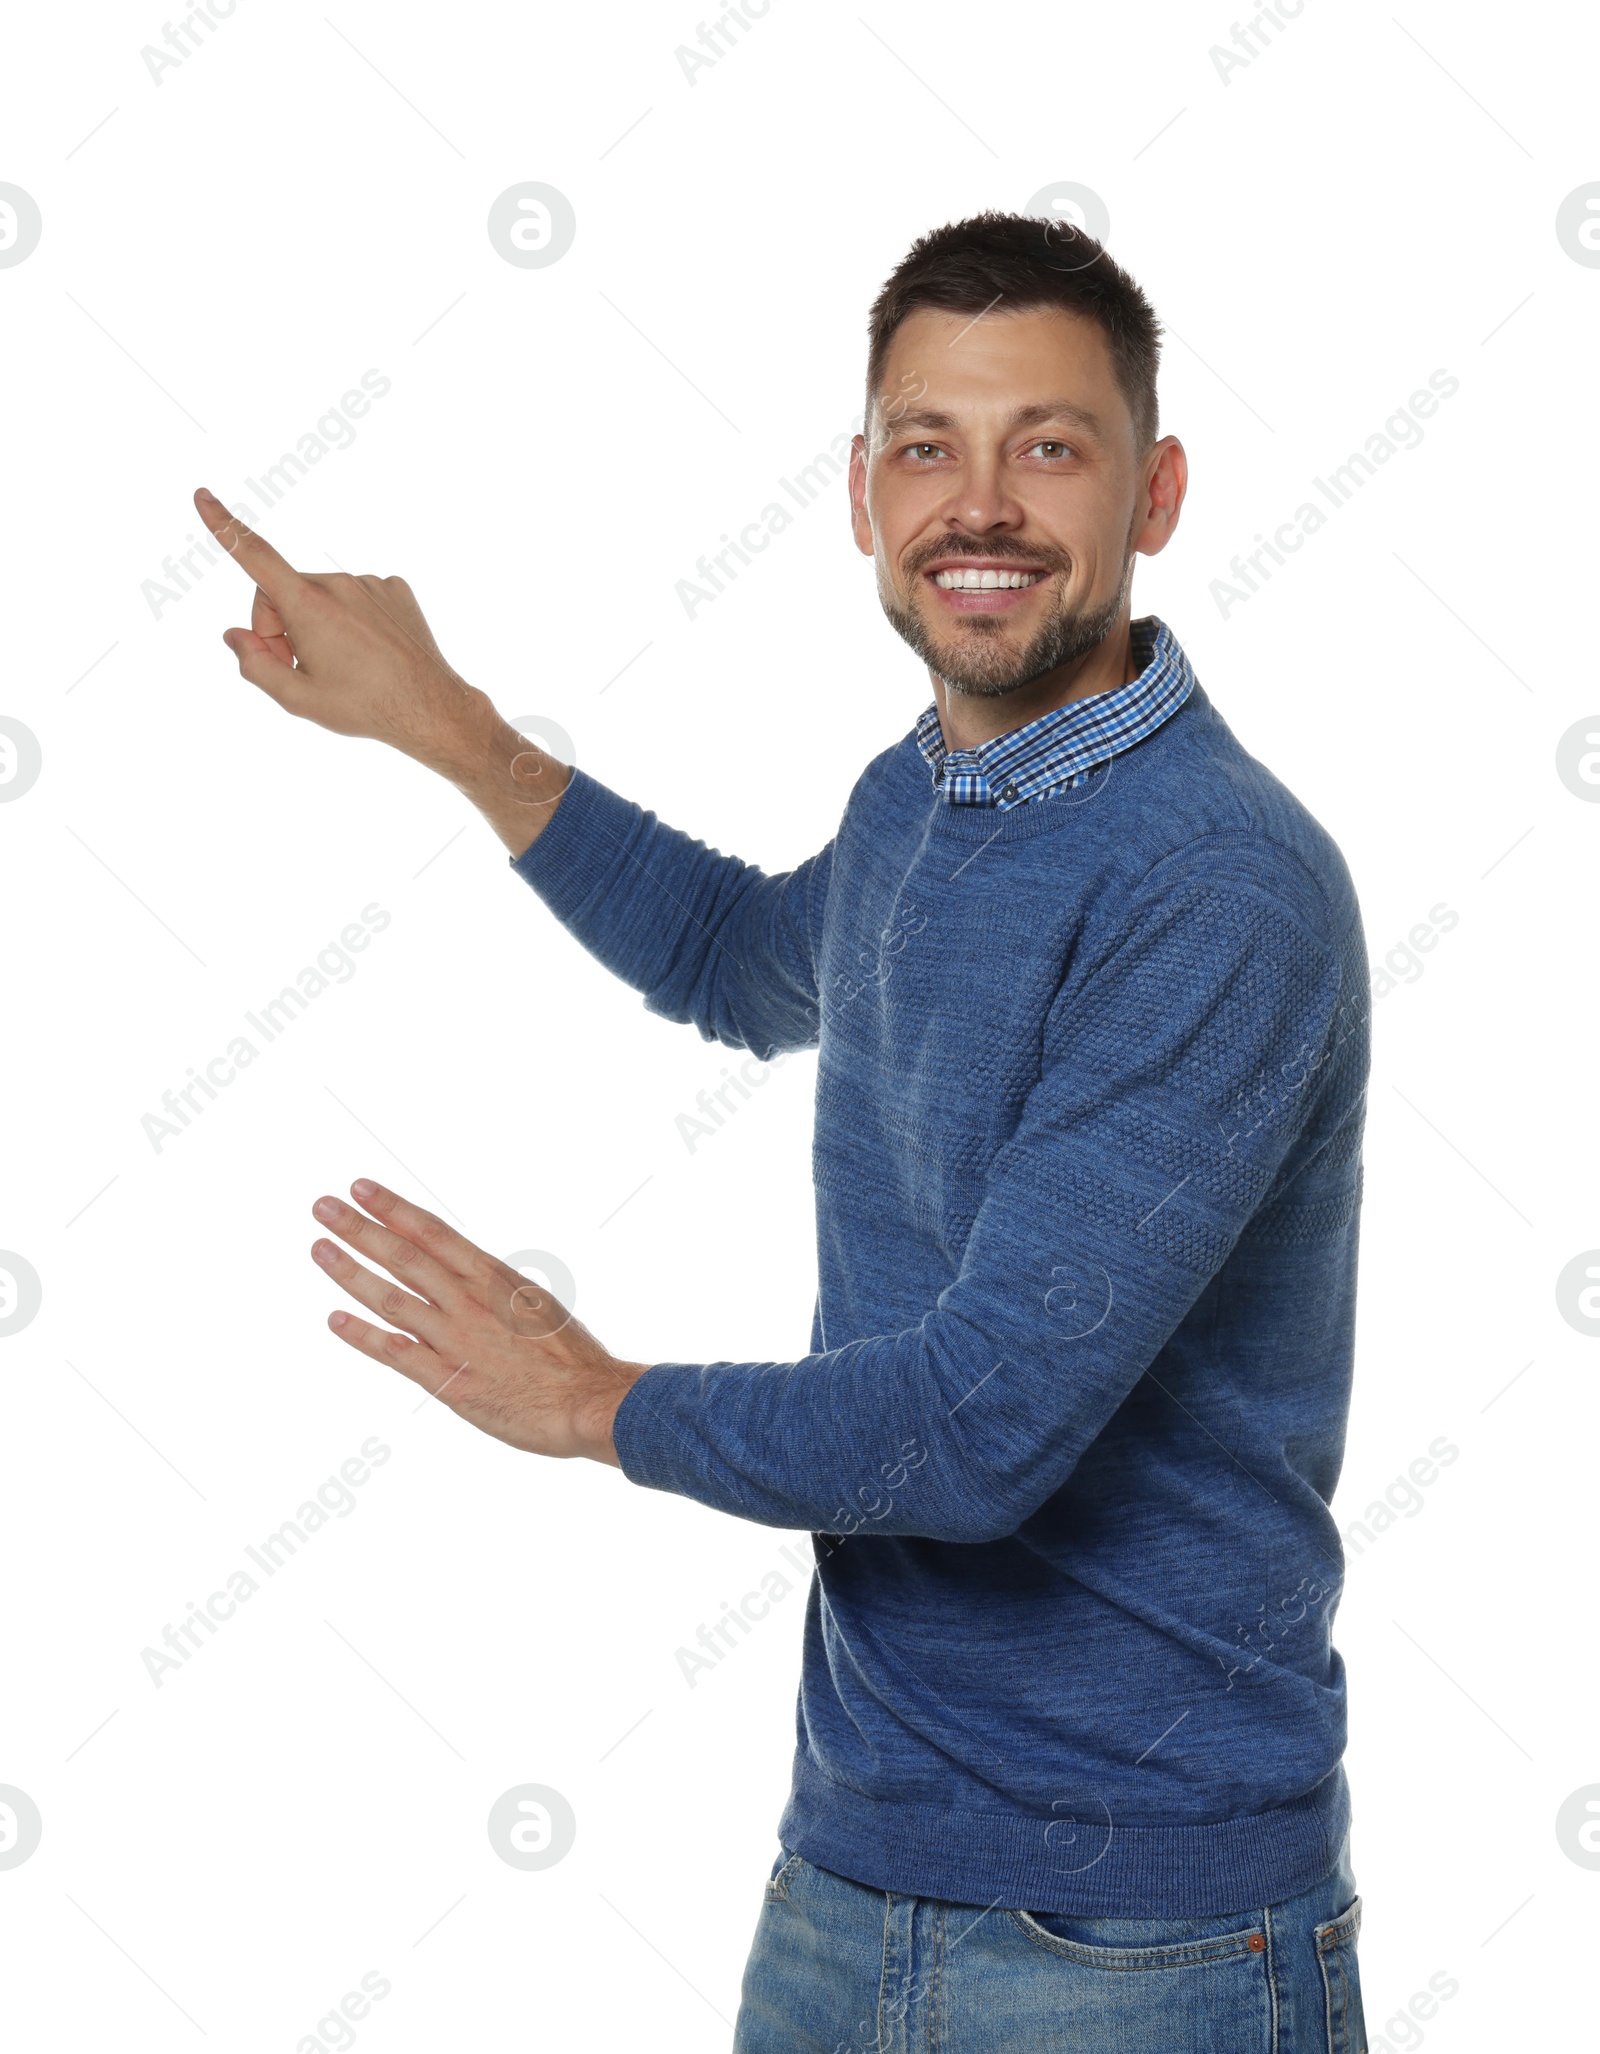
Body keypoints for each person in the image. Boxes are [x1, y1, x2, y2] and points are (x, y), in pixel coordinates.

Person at [196, 210, 1371, 2053]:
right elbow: (745, 959)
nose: (978, 504)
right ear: (858, 494)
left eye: (1048, 446)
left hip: (1137, 1940)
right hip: (851, 1876)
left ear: (1157, 496)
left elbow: (977, 1431)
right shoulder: (926, 801)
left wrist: (596, 1400)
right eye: (930, 446)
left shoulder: (1215, 887)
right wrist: (448, 728)